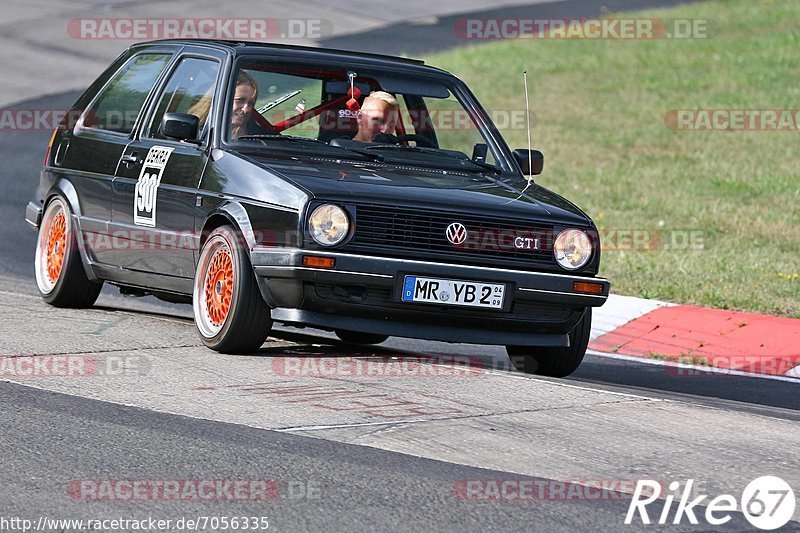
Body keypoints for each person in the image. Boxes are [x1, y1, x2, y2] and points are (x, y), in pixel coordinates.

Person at [229, 70, 265, 140]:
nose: (246, 109)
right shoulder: (204, 132)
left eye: (251, 103)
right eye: (239, 100)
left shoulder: (261, 138)